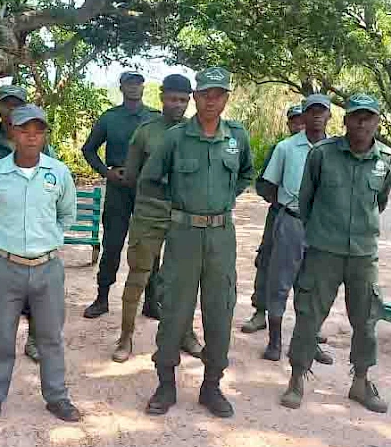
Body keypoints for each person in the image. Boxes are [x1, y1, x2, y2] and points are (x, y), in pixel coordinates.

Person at [141, 67, 254, 418]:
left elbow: (246, 173)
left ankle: (212, 384)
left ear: (225, 99)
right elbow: (149, 179)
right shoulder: (176, 138)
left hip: (221, 236)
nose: (210, 100)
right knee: (174, 308)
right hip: (183, 235)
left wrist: (222, 200)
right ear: (195, 96)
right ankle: (166, 383)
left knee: (220, 309)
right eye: (204, 93)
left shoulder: (238, 137)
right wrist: (181, 202)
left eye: (218, 94)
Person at [281, 94, 391, 413]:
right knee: (308, 315)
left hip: (363, 255)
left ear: (376, 122)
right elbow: (306, 200)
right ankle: (296, 378)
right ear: (344, 120)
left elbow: (380, 202)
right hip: (323, 251)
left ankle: (361, 382)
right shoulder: (322, 155)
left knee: (367, 319)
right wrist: (322, 232)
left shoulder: (386, 158)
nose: (361, 122)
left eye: (368, 117)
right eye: (356, 116)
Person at [0, 104, 80, 426]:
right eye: (24, 130)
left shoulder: (58, 173)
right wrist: (9, 244)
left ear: (45, 134)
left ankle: (57, 397)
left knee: (50, 338)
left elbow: (67, 214)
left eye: (38, 130)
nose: (31, 136)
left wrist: (48, 240)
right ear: (12, 132)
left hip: (48, 268)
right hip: (6, 268)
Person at [113, 74, 203, 363]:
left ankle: (186, 334)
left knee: (183, 280)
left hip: (184, 215)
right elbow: (131, 175)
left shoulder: (199, 132)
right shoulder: (146, 132)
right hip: (149, 212)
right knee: (138, 274)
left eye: (183, 100)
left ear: (189, 100)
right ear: (162, 96)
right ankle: (126, 337)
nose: (177, 105)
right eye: (172, 98)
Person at [0, 85, 52, 368]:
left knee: (35, 286)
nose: (11, 110)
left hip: (29, 230)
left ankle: (34, 340)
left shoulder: (38, 142)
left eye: (17, 104)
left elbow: (51, 183)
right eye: (6, 104)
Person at [261, 94, 336, 363]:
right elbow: (269, 185)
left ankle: (309, 342)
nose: (316, 116)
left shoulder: (336, 150)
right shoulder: (286, 148)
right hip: (291, 221)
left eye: (322, 111)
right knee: (280, 281)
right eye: (311, 111)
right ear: (302, 116)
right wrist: (287, 208)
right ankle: (275, 342)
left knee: (313, 286)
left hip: (322, 227)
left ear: (329, 115)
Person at [81, 71, 160, 319]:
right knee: (112, 244)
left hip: (147, 190)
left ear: (143, 87)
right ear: (122, 87)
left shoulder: (154, 118)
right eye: (129, 83)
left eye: (138, 83)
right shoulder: (110, 118)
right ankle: (102, 298)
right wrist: (106, 172)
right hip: (118, 189)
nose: (134, 87)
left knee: (149, 246)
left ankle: (151, 301)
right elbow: (89, 149)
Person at [241, 104, 304, 333]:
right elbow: (263, 184)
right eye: (294, 121)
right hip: (280, 215)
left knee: (310, 268)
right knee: (267, 260)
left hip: (312, 222)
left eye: (302, 120)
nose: (299, 125)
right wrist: (281, 202)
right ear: (288, 124)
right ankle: (260, 312)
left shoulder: (323, 149)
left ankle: (308, 324)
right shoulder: (281, 148)